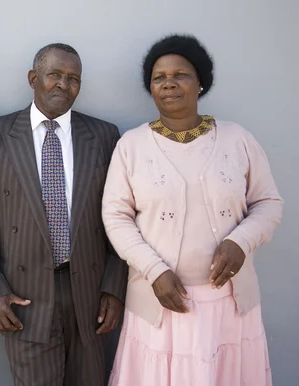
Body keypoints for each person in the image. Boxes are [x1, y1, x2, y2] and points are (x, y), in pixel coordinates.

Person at [102, 34, 282, 386]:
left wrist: (241, 241)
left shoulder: (237, 139)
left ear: (200, 82)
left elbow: (268, 203)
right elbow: (115, 215)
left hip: (229, 307)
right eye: (159, 77)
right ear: (150, 88)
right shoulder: (132, 146)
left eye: (180, 74)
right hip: (159, 304)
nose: (168, 83)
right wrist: (153, 270)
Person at [0, 43, 128, 386]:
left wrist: (114, 288)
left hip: (89, 290)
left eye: (73, 79)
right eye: (54, 74)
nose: (63, 85)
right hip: (25, 294)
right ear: (33, 78)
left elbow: (121, 218)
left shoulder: (103, 135)